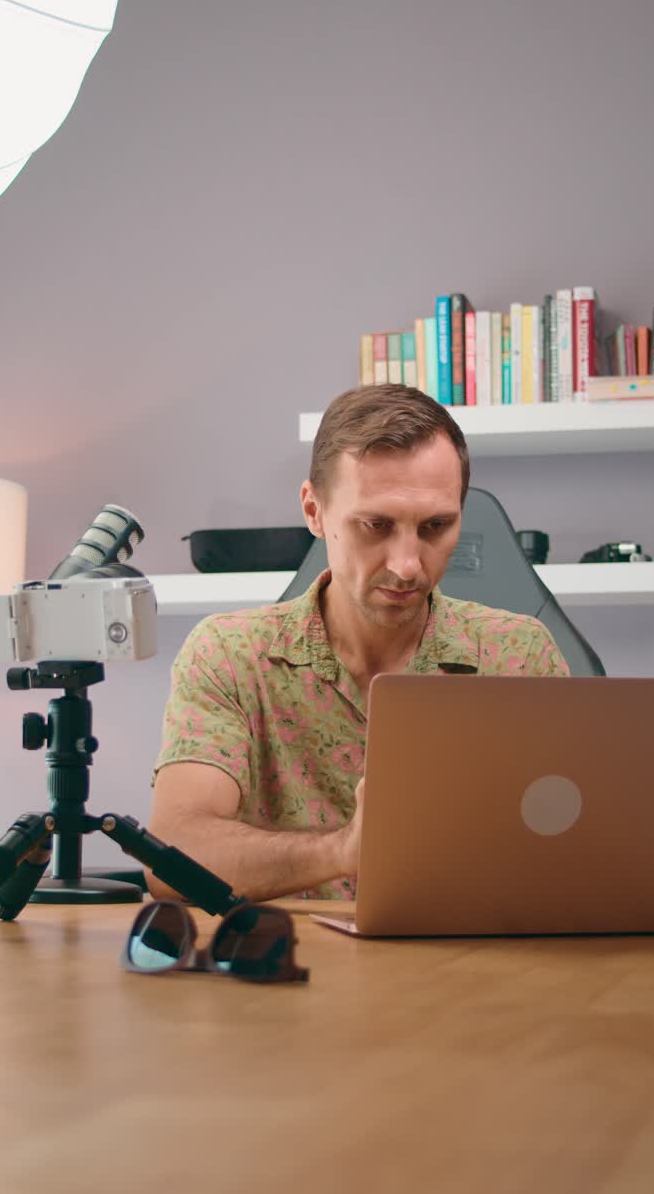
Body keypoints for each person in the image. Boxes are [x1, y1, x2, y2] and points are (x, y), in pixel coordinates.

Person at [147, 384, 569, 902]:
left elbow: (569, 849)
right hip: (290, 970)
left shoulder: (519, 654)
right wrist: (343, 850)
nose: (408, 565)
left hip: (468, 964)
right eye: (376, 525)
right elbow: (172, 859)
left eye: (436, 526)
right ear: (314, 510)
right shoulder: (230, 656)